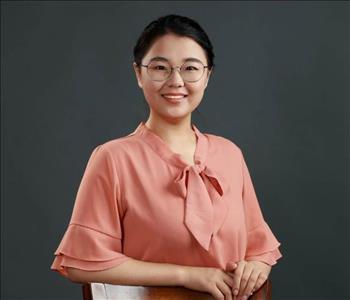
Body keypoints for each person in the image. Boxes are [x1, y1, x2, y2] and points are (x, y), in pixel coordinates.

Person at [51, 14, 282, 300]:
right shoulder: (113, 159)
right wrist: (188, 275)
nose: (176, 81)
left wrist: (257, 267)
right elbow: (81, 263)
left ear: (207, 75)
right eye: (160, 67)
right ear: (138, 73)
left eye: (190, 68)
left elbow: (260, 248)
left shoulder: (229, 154)